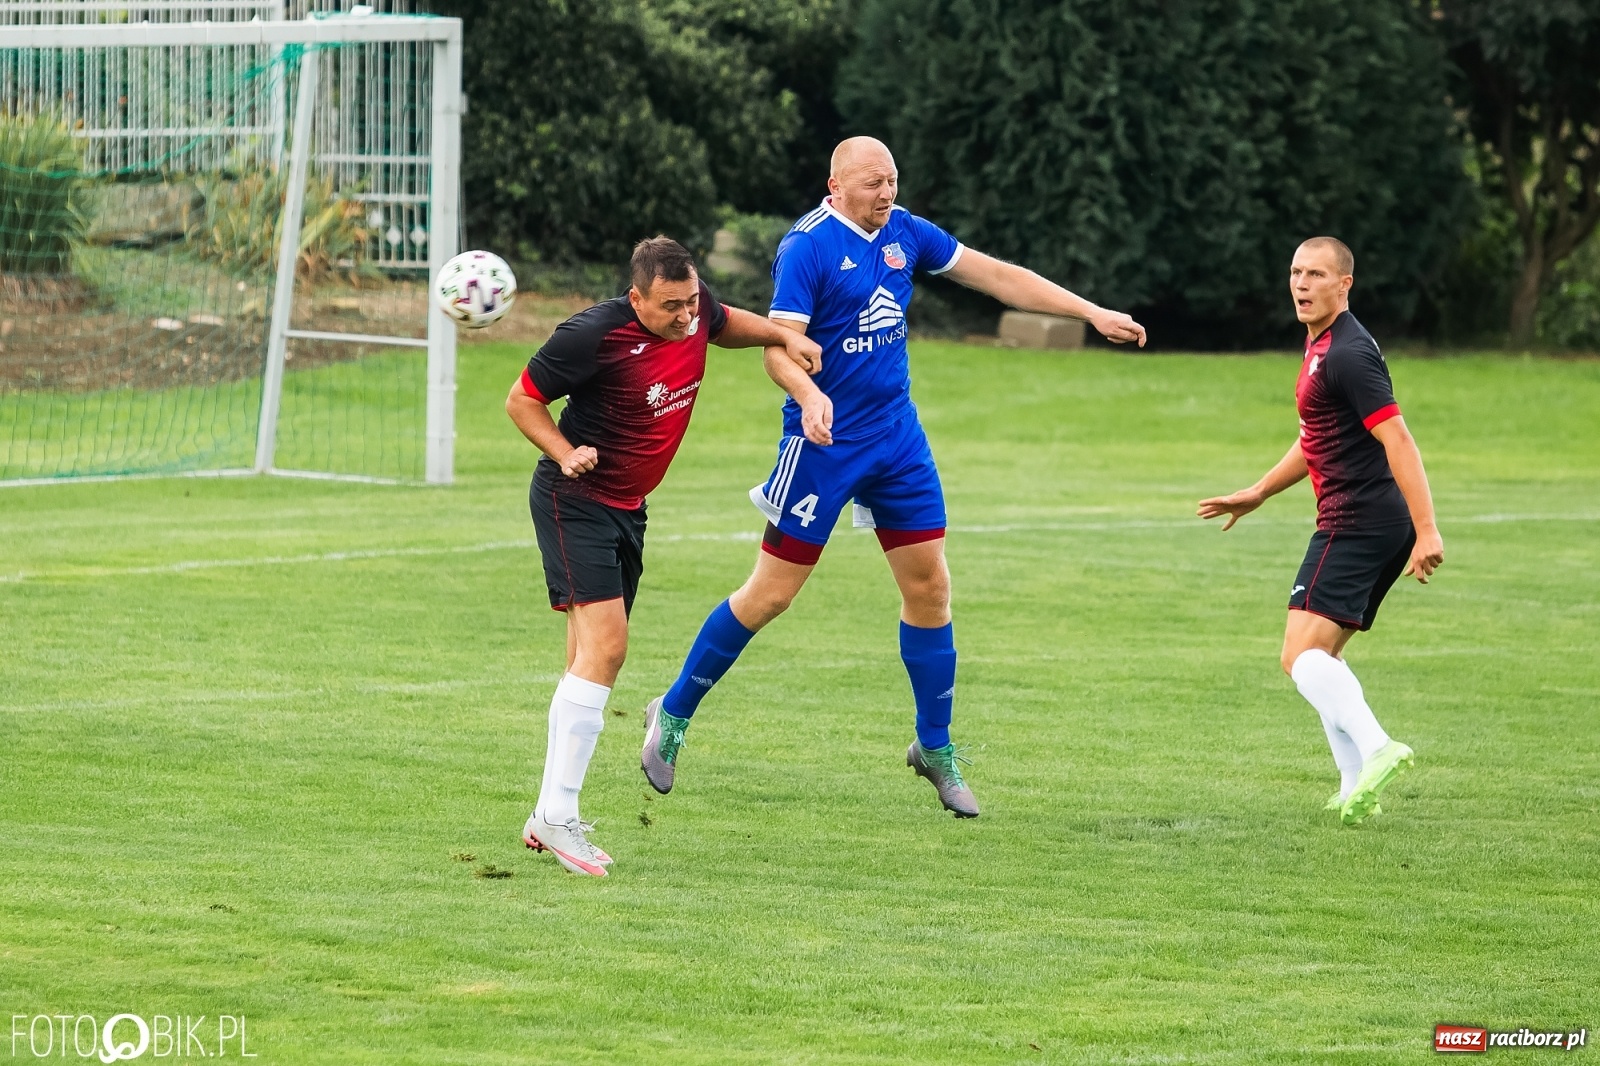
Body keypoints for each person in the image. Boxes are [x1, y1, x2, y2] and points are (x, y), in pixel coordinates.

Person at [639, 136, 1147, 818]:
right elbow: (777, 350)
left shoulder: (906, 232)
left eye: (893, 180)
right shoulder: (807, 248)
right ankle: (671, 715)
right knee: (770, 596)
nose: (887, 193)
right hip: (823, 446)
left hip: (897, 440)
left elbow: (994, 275)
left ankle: (933, 747)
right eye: (874, 182)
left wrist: (1089, 310)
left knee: (931, 587)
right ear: (835, 183)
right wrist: (811, 396)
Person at [507, 236, 821, 876]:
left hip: (628, 507)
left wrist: (785, 339)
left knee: (585, 657)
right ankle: (558, 816)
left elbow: (729, 324)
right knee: (608, 648)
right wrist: (566, 452)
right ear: (636, 297)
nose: (685, 318)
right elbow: (522, 399)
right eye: (670, 306)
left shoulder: (698, 311)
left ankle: (550, 813)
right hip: (577, 497)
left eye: (690, 303)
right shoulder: (593, 334)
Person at [1197, 236, 1443, 826]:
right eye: (1295, 272)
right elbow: (1318, 438)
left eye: (1315, 274)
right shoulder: (1322, 347)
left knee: (1299, 657)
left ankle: (1379, 748)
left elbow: (1398, 439)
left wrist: (1429, 529)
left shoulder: (1347, 354)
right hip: (1371, 521)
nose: (1301, 284)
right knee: (1321, 658)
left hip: (1357, 520)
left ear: (1344, 284)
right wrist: (1259, 491)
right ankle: (1356, 785)